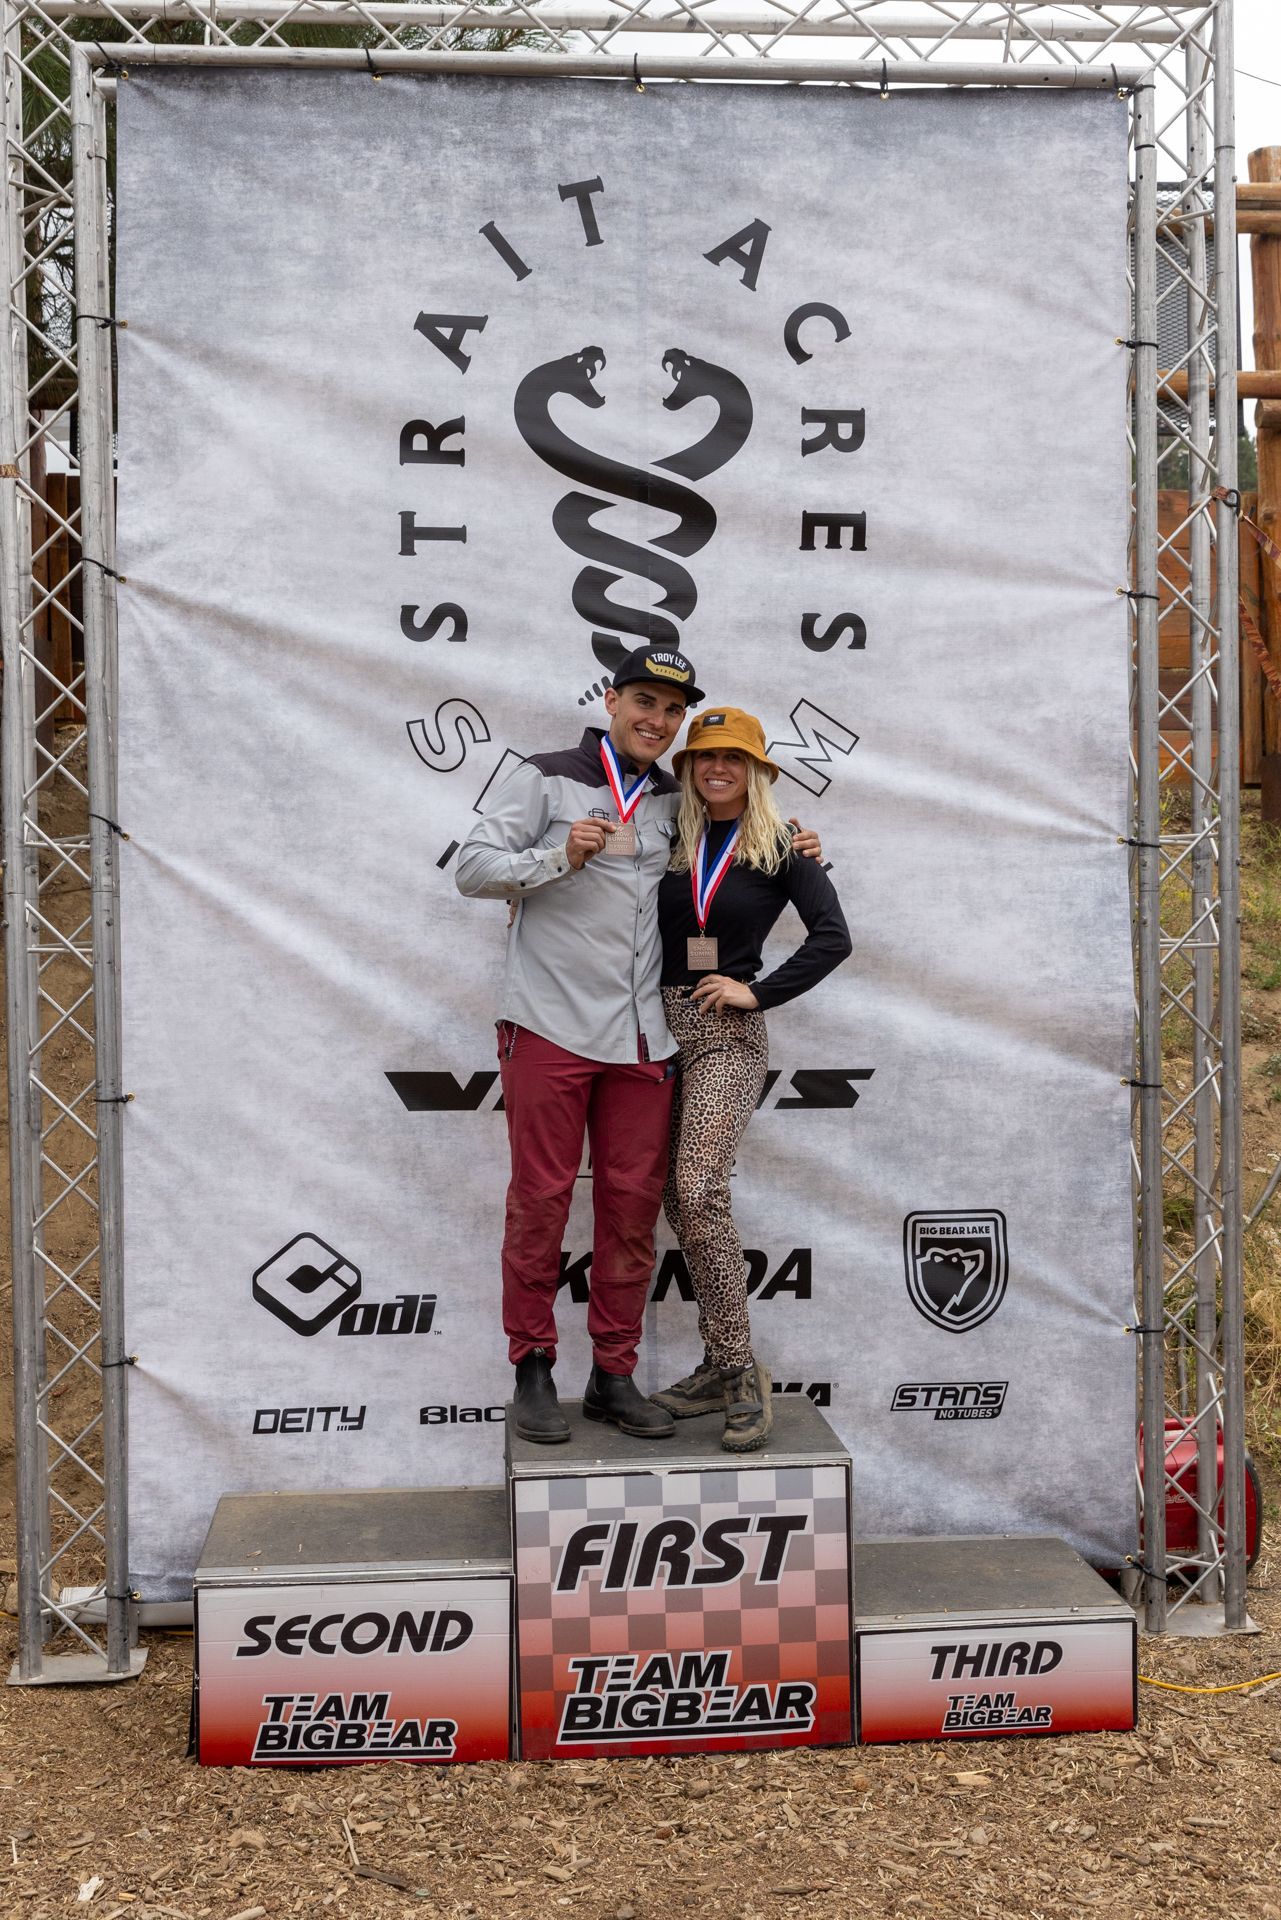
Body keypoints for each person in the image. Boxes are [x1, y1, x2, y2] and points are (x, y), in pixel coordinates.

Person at [455, 651, 821, 1447]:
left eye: (671, 710)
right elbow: (472, 869)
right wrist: (559, 856)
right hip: (549, 1022)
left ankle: (613, 1376)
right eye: (643, 701)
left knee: (628, 1211)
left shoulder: (673, 801)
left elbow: (738, 849)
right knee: (540, 1201)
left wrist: (799, 845)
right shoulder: (545, 776)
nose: (656, 719)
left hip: (642, 1037)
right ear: (613, 700)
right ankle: (533, 1369)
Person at [651, 707, 852, 1453]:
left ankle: (736, 1371)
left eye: (734, 758)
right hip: (641, 1031)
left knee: (699, 1187)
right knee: (671, 1195)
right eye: (704, 757)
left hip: (721, 1035)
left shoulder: (781, 849)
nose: (717, 769)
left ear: (759, 770)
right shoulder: (666, 834)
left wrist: (755, 992)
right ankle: (715, 1364)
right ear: (687, 769)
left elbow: (834, 937)